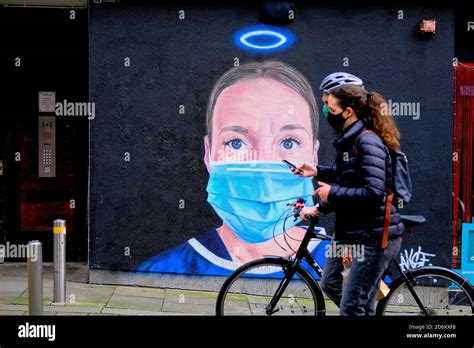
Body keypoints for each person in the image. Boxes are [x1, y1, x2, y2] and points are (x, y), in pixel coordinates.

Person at [137, 60, 329, 276]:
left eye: (289, 142)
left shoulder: (339, 263)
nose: (263, 173)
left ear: (313, 154)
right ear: (208, 155)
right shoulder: (162, 270)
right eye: (236, 143)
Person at [294, 84, 405, 316]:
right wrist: (317, 171)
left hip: (375, 239)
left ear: (347, 111)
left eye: (329, 106)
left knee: (352, 308)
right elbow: (349, 175)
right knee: (355, 303)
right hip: (361, 233)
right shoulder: (351, 139)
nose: (325, 110)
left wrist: (331, 194)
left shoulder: (366, 141)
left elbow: (373, 192)